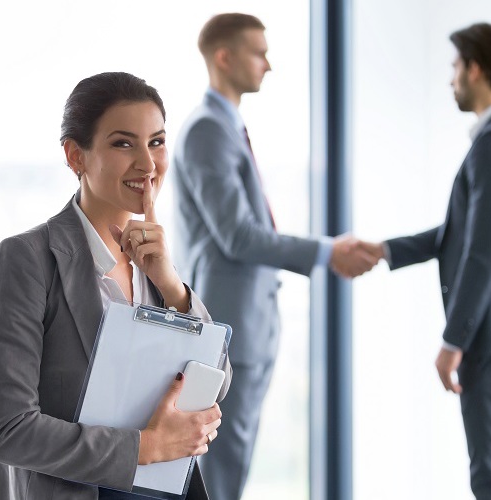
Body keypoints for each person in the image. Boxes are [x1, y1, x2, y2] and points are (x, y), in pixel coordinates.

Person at [0, 72, 232, 500]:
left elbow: (219, 382)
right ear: (75, 156)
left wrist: (171, 285)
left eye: (156, 141)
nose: (148, 164)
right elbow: (8, 430)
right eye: (123, 143)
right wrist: (145, 448)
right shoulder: (27, 259)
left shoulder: (154, 264)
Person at [171, 13, 378, 500]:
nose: (269, 64)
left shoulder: (226, 126)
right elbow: (239, 236)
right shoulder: (207, 130)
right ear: (224, 57)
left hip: (245, 329)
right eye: (258, 52)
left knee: (228, 466)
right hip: (227, 332)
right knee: (219, 471)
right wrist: (329, 252)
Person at [363, 23, 491, 500]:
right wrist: (384, 250)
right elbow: (459, 235)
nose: (450, 80)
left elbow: (486, 251)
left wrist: (453, 340)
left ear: (476, 69)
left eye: (454, 67)